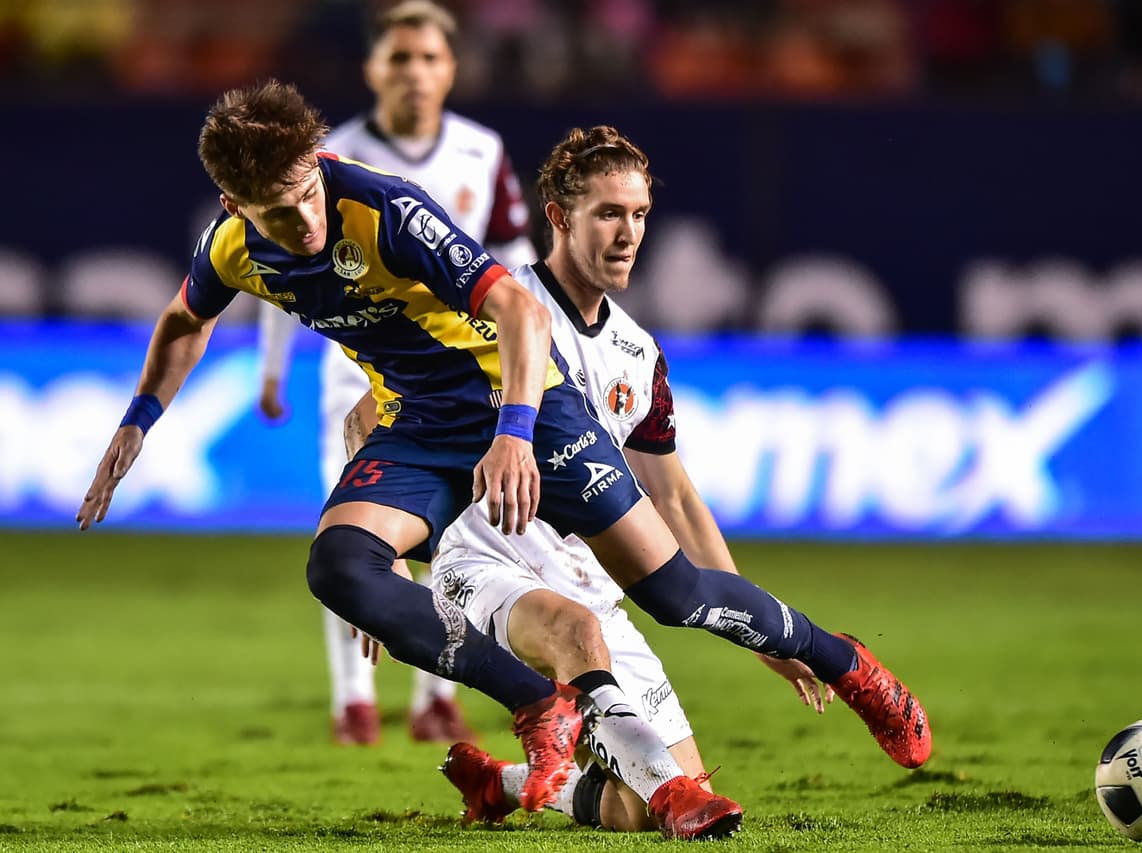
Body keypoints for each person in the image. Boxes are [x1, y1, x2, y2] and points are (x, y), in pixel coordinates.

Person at [78, 77, 929, 814]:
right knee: (339, 567)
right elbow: (185, 319)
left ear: (318, 163)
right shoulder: (232, 249)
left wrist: (516, 434)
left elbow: (519, 312)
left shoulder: (384, 209)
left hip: (529, 400)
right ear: (234, 206)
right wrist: (137, 421)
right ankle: (537, 707)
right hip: (422, 422)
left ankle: (848, 662)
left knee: (672, 592)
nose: (303, 219)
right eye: (277, 209)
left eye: (307, 192)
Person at [343, 126, 844, 840]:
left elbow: (672, 498)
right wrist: (382, 559)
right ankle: (645, 781)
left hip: (590, 576)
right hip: (481, 559)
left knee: (633, 806)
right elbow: (367, 418)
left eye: (639, 214)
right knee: (576, 637)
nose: (628, 233)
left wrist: (753, 626)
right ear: (558, 216)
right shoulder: (489, 303)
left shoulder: (639, 354)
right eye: (609, 213)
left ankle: (501, 782)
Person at [257, 0, 538, 747]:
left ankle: (436, 694)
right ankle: (354, 696)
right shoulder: (329, 154)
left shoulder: (482, 149)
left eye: (429, 58)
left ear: (451, 69)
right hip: (356, 374)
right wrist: (273, 368)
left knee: (449, 537)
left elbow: (516, 266)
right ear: (372, 68)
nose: (415, 73)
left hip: (453, 376)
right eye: (400, 58)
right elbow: (279, 265)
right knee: (348, 533)